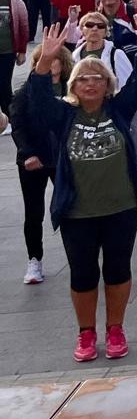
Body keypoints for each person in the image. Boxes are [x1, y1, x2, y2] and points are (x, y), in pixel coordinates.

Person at [25, 13, 137, 362]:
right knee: (83, 275)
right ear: (72, 85)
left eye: (96, 78)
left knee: (118, 270)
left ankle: (115, 328)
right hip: (77, 211)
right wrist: (43, 61)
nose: (89, 83)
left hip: (121, 207)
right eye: (82, 78)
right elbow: (36, 105)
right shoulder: (64, 115)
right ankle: (86, 333)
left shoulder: (118, 110)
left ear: (107, 84)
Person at [8, 38, 73, 286]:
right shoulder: (26, 92)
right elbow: (18, 125)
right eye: (43, 59)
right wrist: (27, 153)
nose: (49, 63)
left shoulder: (72, 88)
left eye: (54, 58)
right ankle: (34, 260)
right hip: (34, 159)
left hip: (63, 159)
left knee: (70, 206)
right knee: (33, 212)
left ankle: (79, 253)